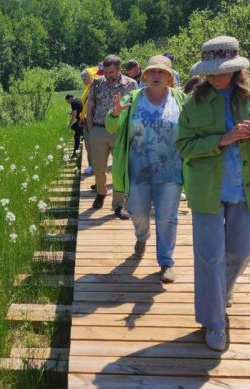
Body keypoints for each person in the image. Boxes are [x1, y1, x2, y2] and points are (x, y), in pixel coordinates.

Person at [176, 36, 250, 351]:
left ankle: (223, 289)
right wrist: (220, 140)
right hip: (206, 189)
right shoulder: (193, 101)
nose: (218, 77)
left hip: (245, 186)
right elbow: (183, 146)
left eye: (224, 70)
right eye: (212, 72)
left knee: (243, 251)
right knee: (210, 258)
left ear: (237, 69)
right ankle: (215, 322)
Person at [107, 55, 186, 283]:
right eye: (152, 72)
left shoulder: (180, 100)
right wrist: (114, 113)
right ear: (145, 76)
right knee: (137, 212)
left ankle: (166, 261)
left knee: (167, 217)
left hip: (170, 172)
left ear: (170, 77)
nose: (156, 76)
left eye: (162, 72)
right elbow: (113, 126)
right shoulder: (133, 99)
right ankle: (142, 237)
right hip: (138, 169)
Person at [86, 55, 138, 218]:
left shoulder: (131, 84)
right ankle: (101, 193)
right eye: (106, 72)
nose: (108, 75)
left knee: (119, 169)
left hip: (120, 131)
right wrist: (91, 129)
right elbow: (90, 107)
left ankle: (118, 204)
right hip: (99, 130)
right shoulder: (97, 83)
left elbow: (135, 109)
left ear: (119, 69)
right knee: (99, 168)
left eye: (111, 72)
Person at [80, 68, 99, 175]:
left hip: (93, 121)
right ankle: (91, 165)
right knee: (88, 145)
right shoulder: (87, 88)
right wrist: (80, 117)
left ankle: (96, 166)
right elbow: (84, 105)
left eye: (85, 78)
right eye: (82, 79)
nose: (83, 80)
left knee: (94, 145)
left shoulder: (95, 88)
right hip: (85, 120)